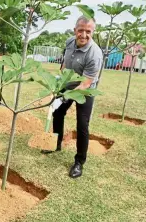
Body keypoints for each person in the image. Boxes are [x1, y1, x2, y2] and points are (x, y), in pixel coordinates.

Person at [41, 16, 103, 179]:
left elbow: (86, 83)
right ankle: (56, 144)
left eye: (88, 31)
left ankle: (79, 162)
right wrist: (58, 82)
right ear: (75, 30)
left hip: (85, 90)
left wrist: (64, 97)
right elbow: (64, 64)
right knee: (58, 113)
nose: (83, 35)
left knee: (82, 124)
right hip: (68, 84)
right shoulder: (69, 42)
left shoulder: (95, 54)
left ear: (93, 32)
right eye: (80, 30)